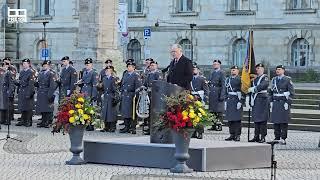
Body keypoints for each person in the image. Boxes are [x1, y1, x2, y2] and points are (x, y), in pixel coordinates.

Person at [269, 65, 295, 145]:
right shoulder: (274, 80)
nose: (277, 71)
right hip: (276, 102)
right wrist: (271, 101)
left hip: (283, 103)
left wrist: (288, 103)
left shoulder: (287, 80)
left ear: (283, 70)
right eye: (277, 69)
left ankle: (283, 138)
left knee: (283, 122)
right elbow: (271, 92)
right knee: (276, 121)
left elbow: (292, 93)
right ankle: (277, 137)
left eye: (279, 69)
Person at [248, 63, 270, 143]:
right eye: (257, 68)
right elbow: (251, 90)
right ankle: (256, 136)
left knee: (263, 120)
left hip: (263, 100)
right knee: (256, 119)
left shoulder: (265, 77)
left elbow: (263, 85)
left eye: (259, 68)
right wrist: (250, 101)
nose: (258, 70)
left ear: (263, 69)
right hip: (256, 100)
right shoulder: (255, 79)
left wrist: (254, 89)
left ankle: (263, 136)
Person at [119, 60, 142, 134]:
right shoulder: (125, 74)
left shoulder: (136, 75)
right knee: (125, 112)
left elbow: (138, 87)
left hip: (132, 95)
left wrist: (136, 95)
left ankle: (133, 127)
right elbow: (122, 84)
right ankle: (126, 126)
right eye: (128, 66)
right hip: (125, 94)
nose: (128, 68)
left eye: (130, 66)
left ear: (133, 67)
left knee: (132, 112)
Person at [77, 58, 99, 131]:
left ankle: (91, 124)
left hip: (90, 91)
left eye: (88, 65)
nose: (87, 66)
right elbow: (83, 81)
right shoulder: (84, 72)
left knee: (90, 109)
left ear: (91, 65)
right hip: (84, 91)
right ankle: (85, 123)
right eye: (86, 65)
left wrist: (93, 95)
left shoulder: (94, 73)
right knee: (84, 108)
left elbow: (95, 85)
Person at [224, 65, 244, 141]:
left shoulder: (240, 79)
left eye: (235, 70)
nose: (233, 71)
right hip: (229, 100)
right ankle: (232, 134)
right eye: (232, 70)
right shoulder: (228, 79)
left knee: (237, 119)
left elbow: (243, 91)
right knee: (230, 119)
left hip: (236, 101)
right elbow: (226, 91)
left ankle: (237, 135)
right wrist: (225, 100)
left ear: (238, 71)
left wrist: (241, 101)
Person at [142, 60, 162, 135]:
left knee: (155, 113)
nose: (152, 66)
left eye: (153, 65)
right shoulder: (149, 74)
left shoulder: (158, 74)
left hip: (156, 95)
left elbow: (159, 84)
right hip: (149, 95)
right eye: (151, 65)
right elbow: (145, 84)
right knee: (150, 113)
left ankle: (156, 129)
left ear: (156, 66)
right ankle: (150, 129)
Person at [36, 60, 57, 128]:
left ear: (49, 66)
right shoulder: (41, 73)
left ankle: (48, 121)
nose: (45, 67)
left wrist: (50, 94)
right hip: (41, 92)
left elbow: (52, 85)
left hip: (47, 92)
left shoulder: (52, 73)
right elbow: (39, 82)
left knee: (48, 108)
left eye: (46, 66)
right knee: (42, 108)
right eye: (44, 66)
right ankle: (43, 121)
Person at [190, 63, 209, 139]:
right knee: (192, 115)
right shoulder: (190, 79)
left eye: (195, 69)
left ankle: (200, 132)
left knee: (199, 116)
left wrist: (205, 99)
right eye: (192, 69)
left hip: (199, 98)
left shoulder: (202, 79)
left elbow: (206, 90)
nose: (193, 70)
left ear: (198, 70)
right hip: (191, 98)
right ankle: (193, 132)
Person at [16, 59, 36, 127]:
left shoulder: (31, 72)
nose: (24, 65)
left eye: (25, 63)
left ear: (29, 64)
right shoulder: (22, 72)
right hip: (22, 91)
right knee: (22, 106)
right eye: (23, 63)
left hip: (28, 90)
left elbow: (31, 84)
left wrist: (29, 93)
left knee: (28, 107)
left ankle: (28, 121)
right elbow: (20, 81)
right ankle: (23, 120)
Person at [208, 59, 225, 131]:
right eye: (214, 64)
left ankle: (219, 125)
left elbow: (223, 85)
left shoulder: (221, 73)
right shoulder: (212, 73)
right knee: (212, 111)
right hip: (212, 93)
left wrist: (222, 95)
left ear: (219, 65)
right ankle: (213, 125)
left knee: (219, 111)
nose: (215, 65)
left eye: (217, 64)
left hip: (218, 92)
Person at [100, 65, 118, 133]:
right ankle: (106, 126)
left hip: (111, 96)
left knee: (111, 112)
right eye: (106, 71)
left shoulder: (113, 79)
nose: (106, 72)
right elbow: (102, 88)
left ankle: (112, 127)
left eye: (108, 71)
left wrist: (115, 97)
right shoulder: (104, 78)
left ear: (111, 71)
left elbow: (115, 89)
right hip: (105, 96)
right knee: (105, 112)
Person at [2, 57, 16, 122]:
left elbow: (13, 79)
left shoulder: (12, 69)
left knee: (9, 104)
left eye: (7, 62)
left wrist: (11, 91)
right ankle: (3, 118)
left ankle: (9, 117)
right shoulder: (2, 69)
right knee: (3, 104)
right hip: (3, 90)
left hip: (9, 88)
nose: (5, 63)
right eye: (4, 62)